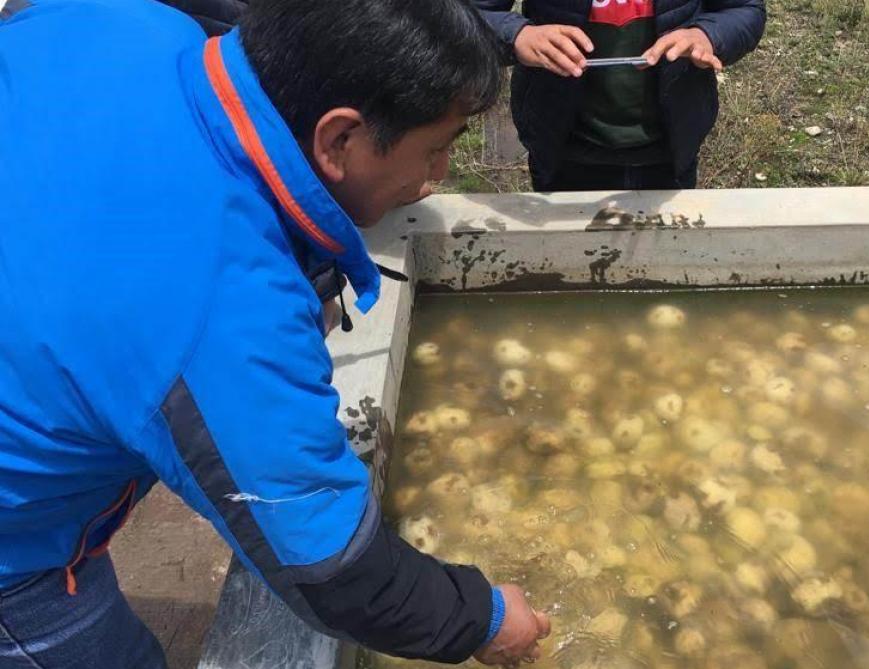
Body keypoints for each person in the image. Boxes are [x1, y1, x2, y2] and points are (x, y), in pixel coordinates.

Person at [0, 0, 550, 667]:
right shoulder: (228, 307)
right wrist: (486, 620)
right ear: (338, 140)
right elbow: (334, 569)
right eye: (433, 151)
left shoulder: (129, 22)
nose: (433, 179)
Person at [472, 0, 765, 192]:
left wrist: (706, 35)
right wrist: (518, 35)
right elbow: (466, 13)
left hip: (671, 150)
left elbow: (744, 9)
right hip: (565, 147)